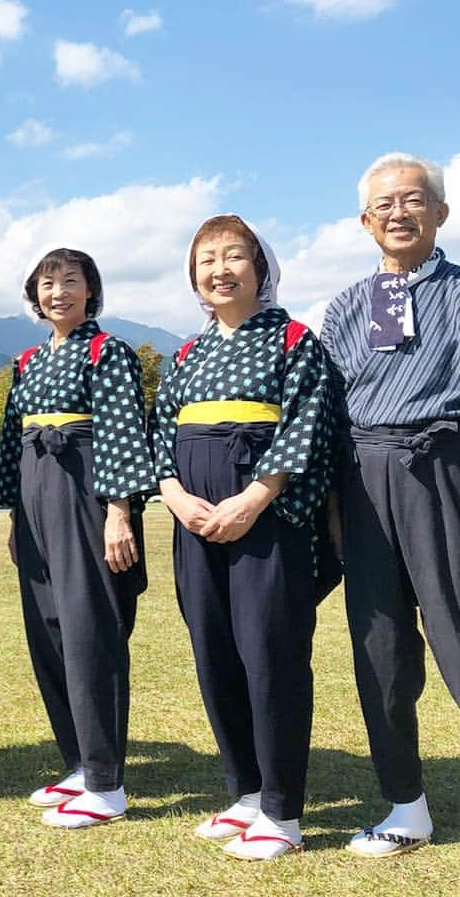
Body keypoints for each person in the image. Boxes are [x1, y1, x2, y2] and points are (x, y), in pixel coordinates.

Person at [149, 215, 332, 861]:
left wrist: (255, 498)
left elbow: (307, 423)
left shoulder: (293, 340)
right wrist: (173, 495)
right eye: (206, 259)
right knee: (215, 648)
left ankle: (282, 811)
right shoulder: (188, 353)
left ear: (261, 267)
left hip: (266, 516)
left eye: (233, 256)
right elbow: (159, 432)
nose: (219, 269)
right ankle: (246, 792)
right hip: (192, 516)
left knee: (271, 652)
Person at [320, 152, 459, 858]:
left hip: (447, 472)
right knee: (379, 648)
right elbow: (324, 408)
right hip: (363, 484)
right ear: (365, 221)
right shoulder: (347, 305)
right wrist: (333, 509)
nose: (398, 213)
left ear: (440, 212)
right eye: (384, 205)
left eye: (413, 200)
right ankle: (406, 805)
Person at [0, 246, 152, 829]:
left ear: (91, 291)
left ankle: (108, 784)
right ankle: (80, 764)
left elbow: (122, 432)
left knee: (91, 631)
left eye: (71, 281)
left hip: (87, 488)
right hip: (35, 494)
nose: (58, 292)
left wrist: (118, 513)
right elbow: (12, 442)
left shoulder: (109, 352)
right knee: (49, 629)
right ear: (35, 294)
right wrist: (14, 516)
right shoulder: (27, 361)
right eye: (47, 282)